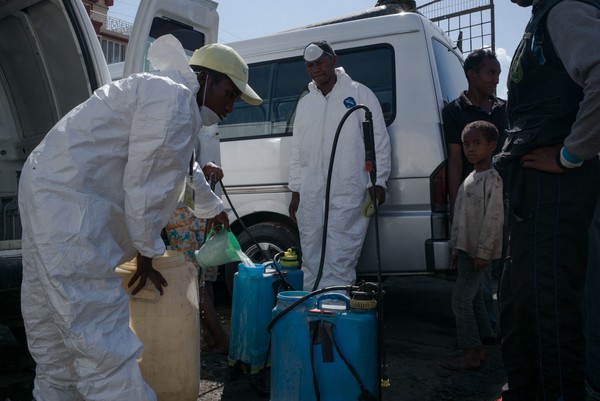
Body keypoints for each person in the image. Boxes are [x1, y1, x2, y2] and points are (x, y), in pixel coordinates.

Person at [18, 35, 261, 401]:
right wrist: (146, 251)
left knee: (53, 328)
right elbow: (146, 185)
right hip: (68, 206)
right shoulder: (174, 102)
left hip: (48, 189)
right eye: (230, 94)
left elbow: (183, 168)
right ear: (208, 78)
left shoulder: (172, 100)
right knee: (100, 335)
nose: (230, 106)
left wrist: (214, 210)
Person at [492, 0, 600, 398]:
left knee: (550, 309)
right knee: (521, 305)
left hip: (555, 189)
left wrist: (571, 155)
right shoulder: (543, 17)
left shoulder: (566, 10)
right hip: (533, 192)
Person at [288, 40, 391, 291]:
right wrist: (295, 190)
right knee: (311, 256)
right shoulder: (305, 103)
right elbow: (297, 151)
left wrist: (378, 181)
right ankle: (312, 314)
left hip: (348, 190)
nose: (315, 69)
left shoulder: (359, 93)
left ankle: (333, 315)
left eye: (320, 62)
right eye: (310, 65)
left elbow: (378, 140)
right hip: (311, 194)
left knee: (341, 257)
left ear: (334, 60)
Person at [442, 49, 507, 337]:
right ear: (472, 74)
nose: (496, 79)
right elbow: (456, 159)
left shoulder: (505, 108)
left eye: (498, 73)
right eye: (491, 73)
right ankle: (488, 331)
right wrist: (457, 205)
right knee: (477, 268)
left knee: (504, 266)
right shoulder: (455, 110)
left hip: (505, 196)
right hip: (475, 199)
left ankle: (505, 329)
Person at [165, 126, 230, 355]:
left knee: (207, 275)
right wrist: (203, 169)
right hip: (181, 208)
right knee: (193, 277)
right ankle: (219, 338)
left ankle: (208, 338)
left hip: (205, 207)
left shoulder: (208, 122)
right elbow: (176, 165)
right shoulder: (182, 112)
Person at [447, 120, 503, 370]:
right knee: (476, 298)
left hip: (478, 253)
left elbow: (494, 219)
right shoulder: (471, 177)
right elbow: (460, 216)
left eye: (476, 143)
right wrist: (456, 248)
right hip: (466, 250)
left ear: (492, 146)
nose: (470, 149)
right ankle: (485, 338)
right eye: (466, 144)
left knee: (460, 300)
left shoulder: (493, 179)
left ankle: (471, 351)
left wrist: (484, 253)